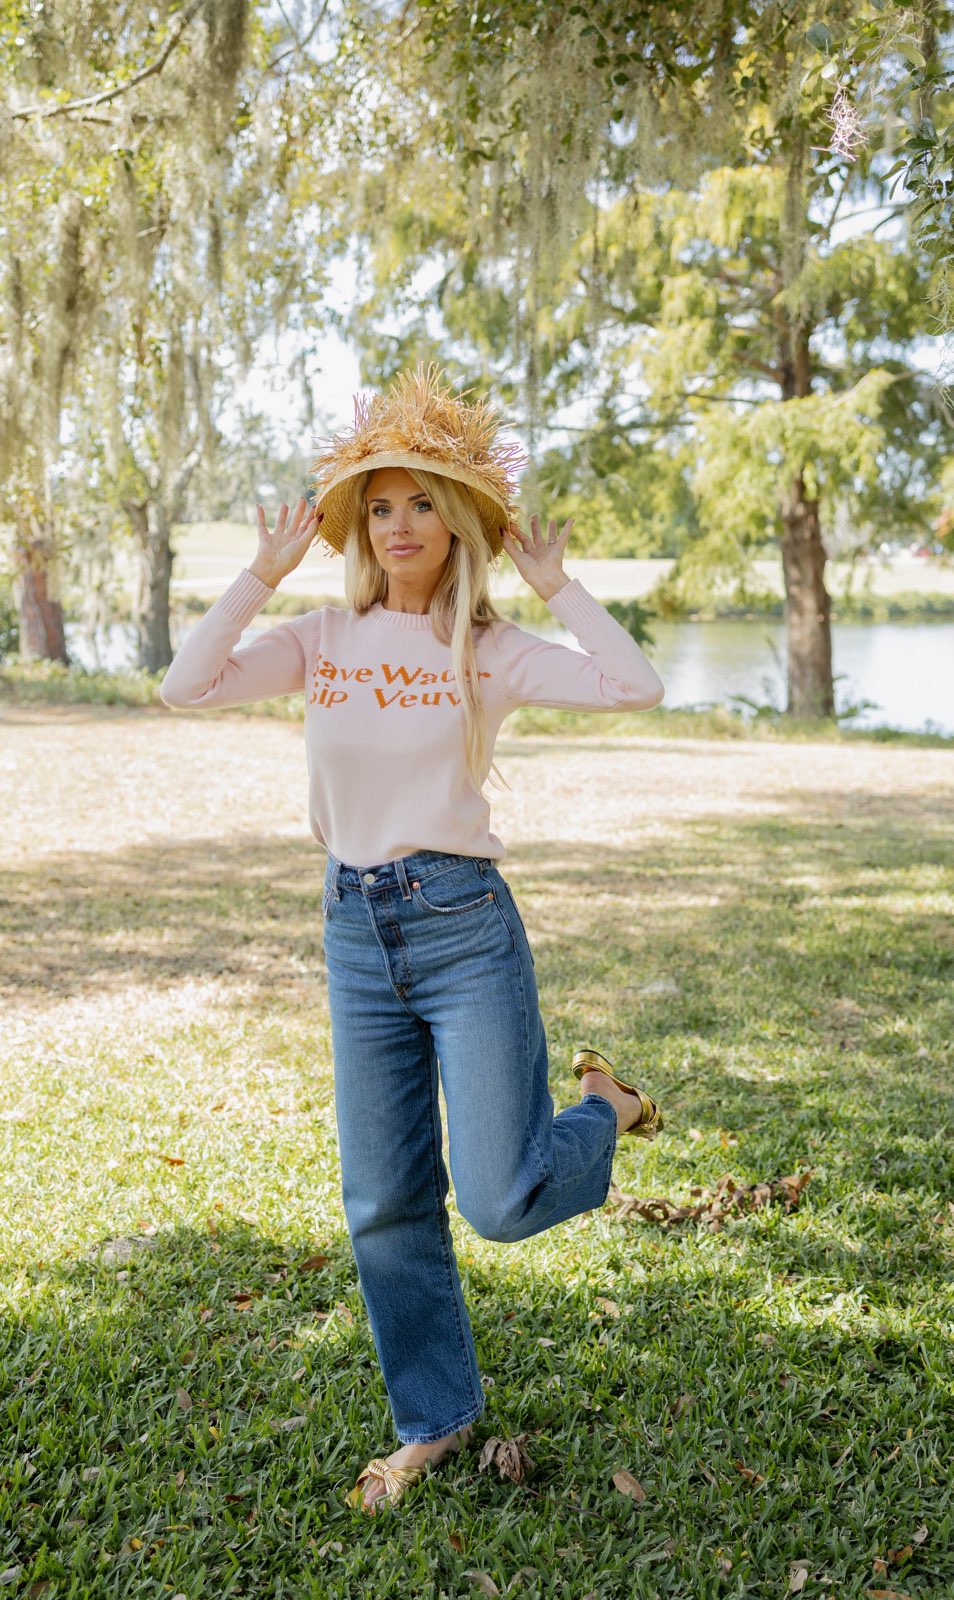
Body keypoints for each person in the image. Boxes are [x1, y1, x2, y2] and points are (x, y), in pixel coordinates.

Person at [159, 364, 666, 1516]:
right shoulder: (322, 634)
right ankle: (433, 1419)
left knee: (496, 1199)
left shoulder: (486, 646)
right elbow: (184, 687)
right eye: (379, 504)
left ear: (458, 525)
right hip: (353, 930)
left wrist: (560, 584)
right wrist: (258, 574)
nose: (398, 526)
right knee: (383, 1199)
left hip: (462, 926)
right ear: (358, 525)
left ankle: (607, 1108)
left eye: (422, 503)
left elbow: (633, 684)